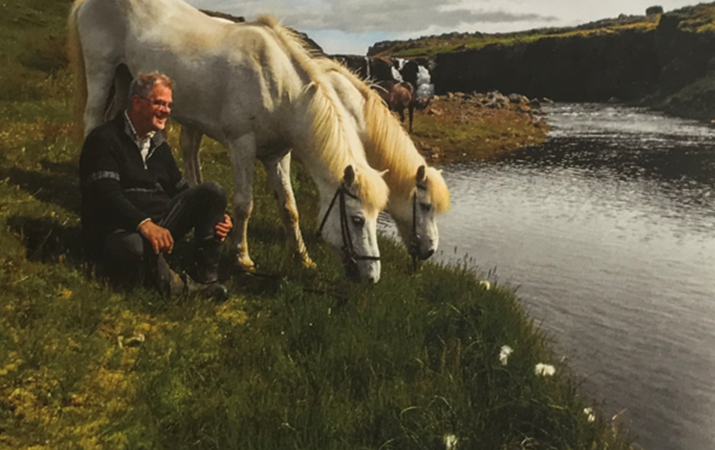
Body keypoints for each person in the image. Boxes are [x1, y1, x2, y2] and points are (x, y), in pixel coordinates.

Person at [79, 72, 233, 300]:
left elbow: (180, 190)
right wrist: (143, 224)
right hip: (117, 229)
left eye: (169, 105)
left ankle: (205, 277)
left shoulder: (157, 143)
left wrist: (217, 219)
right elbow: (106, 195)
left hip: (157, 224)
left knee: (212, 193)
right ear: (137, 103)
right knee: (136, 248)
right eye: (160, 103)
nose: (167, 111)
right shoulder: (103, 139)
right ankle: (178, 290)